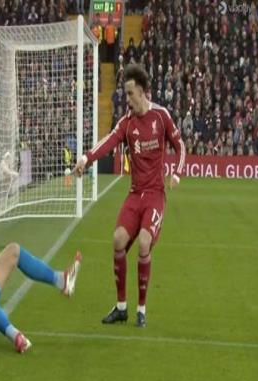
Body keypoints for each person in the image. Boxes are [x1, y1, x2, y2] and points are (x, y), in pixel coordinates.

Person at [72, 63, 186, 327]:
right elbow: (109, 142)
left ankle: (141, 310)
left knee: (145, 243)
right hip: (135, 195)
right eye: (126, 94)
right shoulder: (127, 122)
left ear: (143, 92)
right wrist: (86, 158)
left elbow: (179, 145)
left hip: (155, 195)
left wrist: (177, 173)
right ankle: (122, 307)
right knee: (118, 240)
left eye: (131, 94)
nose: (128, 99)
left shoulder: (161, 116)